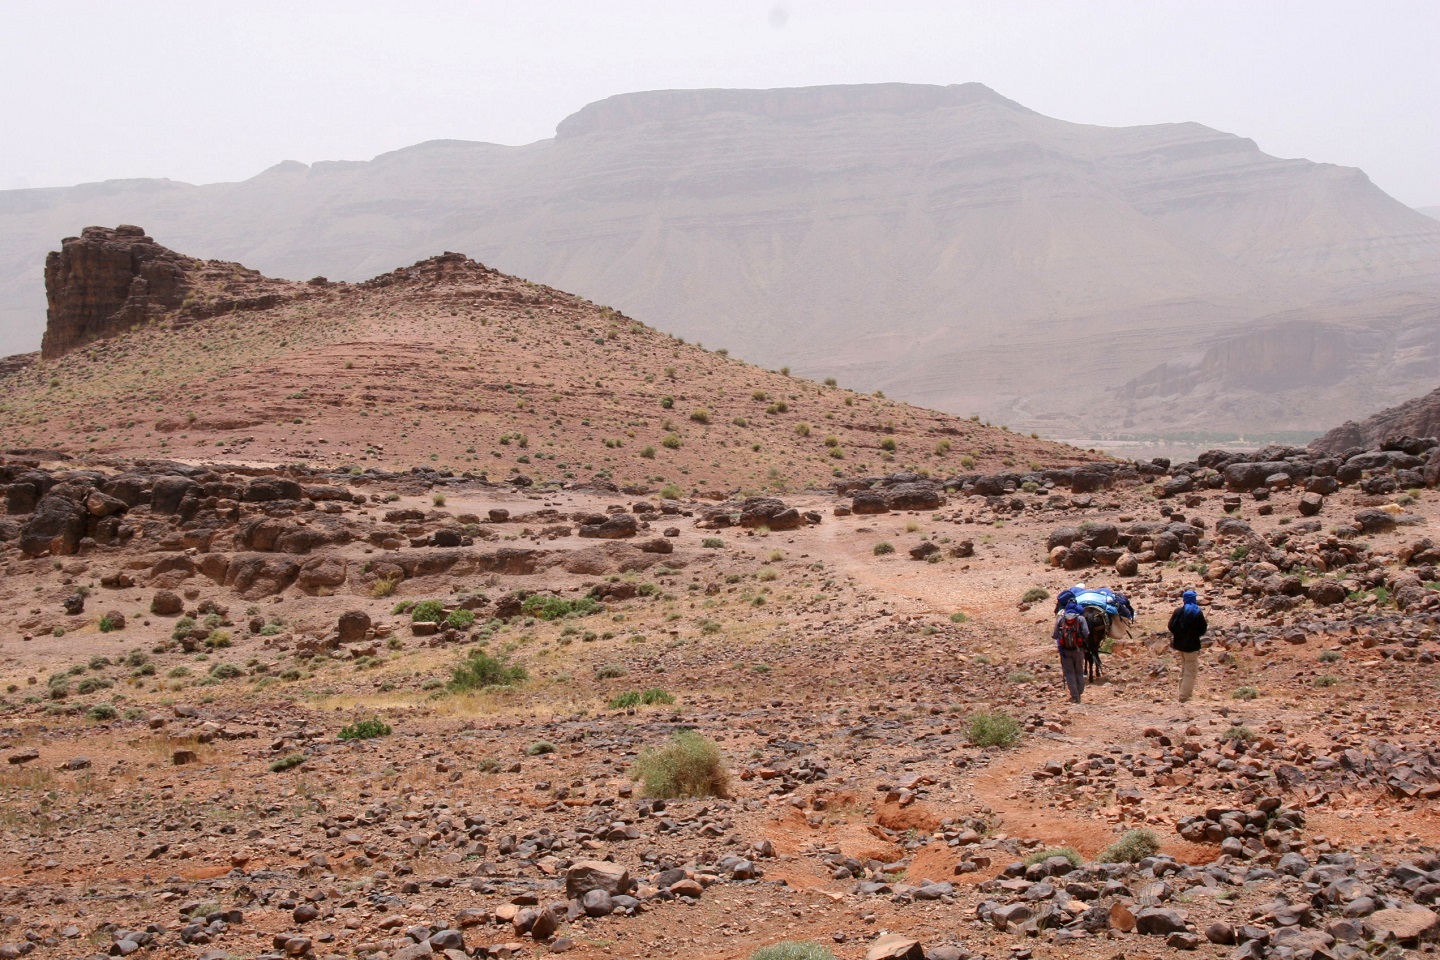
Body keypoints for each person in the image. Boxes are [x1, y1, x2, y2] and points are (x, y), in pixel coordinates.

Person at [1168, 589, 1209, 702]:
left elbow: (1171, 626)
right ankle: (1184, 697)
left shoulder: (1178, 611)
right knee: (1190, 671)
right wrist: (1194, 635)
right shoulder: (1197, 612)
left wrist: (1179, 634)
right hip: (1192, 646)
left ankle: (1182, 692)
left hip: (1179, 645)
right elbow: (1202, 629)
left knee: (1184, 669)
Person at [1052, 600, 1090, 703]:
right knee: (1079, 671)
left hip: (1065, 651)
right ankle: (1079, 693)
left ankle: (1074, 696)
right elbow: (1086, 633)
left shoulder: (1061, 619)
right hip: (1079, 650)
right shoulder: (1081, 619)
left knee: (1069, 673)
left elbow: (1055, 635)